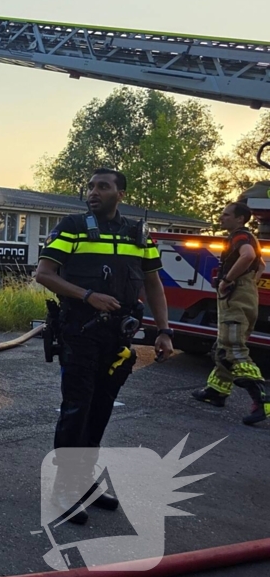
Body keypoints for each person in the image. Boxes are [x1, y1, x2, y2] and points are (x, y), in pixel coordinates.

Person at [35, 168, 174, 525]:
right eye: (90, 186)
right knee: (77, 409)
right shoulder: (72, 227)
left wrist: (164, 331)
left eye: (103, 186)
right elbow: (44, 274)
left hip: (118, 338)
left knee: (101, 409)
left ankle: (83, 482)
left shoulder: (138, 234)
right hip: (80, 333)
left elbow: (153, 283)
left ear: (120, 194)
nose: (93, 192)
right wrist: (88, 296)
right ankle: (63, 489)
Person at [190, 201, 270, 425]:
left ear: (239, 219)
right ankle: (217, 391)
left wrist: (227, 280)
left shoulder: (240, 236)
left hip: (236, 297)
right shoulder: (249, 237)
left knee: (233, 348)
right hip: (244, 295)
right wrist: (248, 283)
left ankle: (262, 400)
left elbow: (247, 256)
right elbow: (261, 265)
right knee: (223, 347)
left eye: (226, 215)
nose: (221, 217)